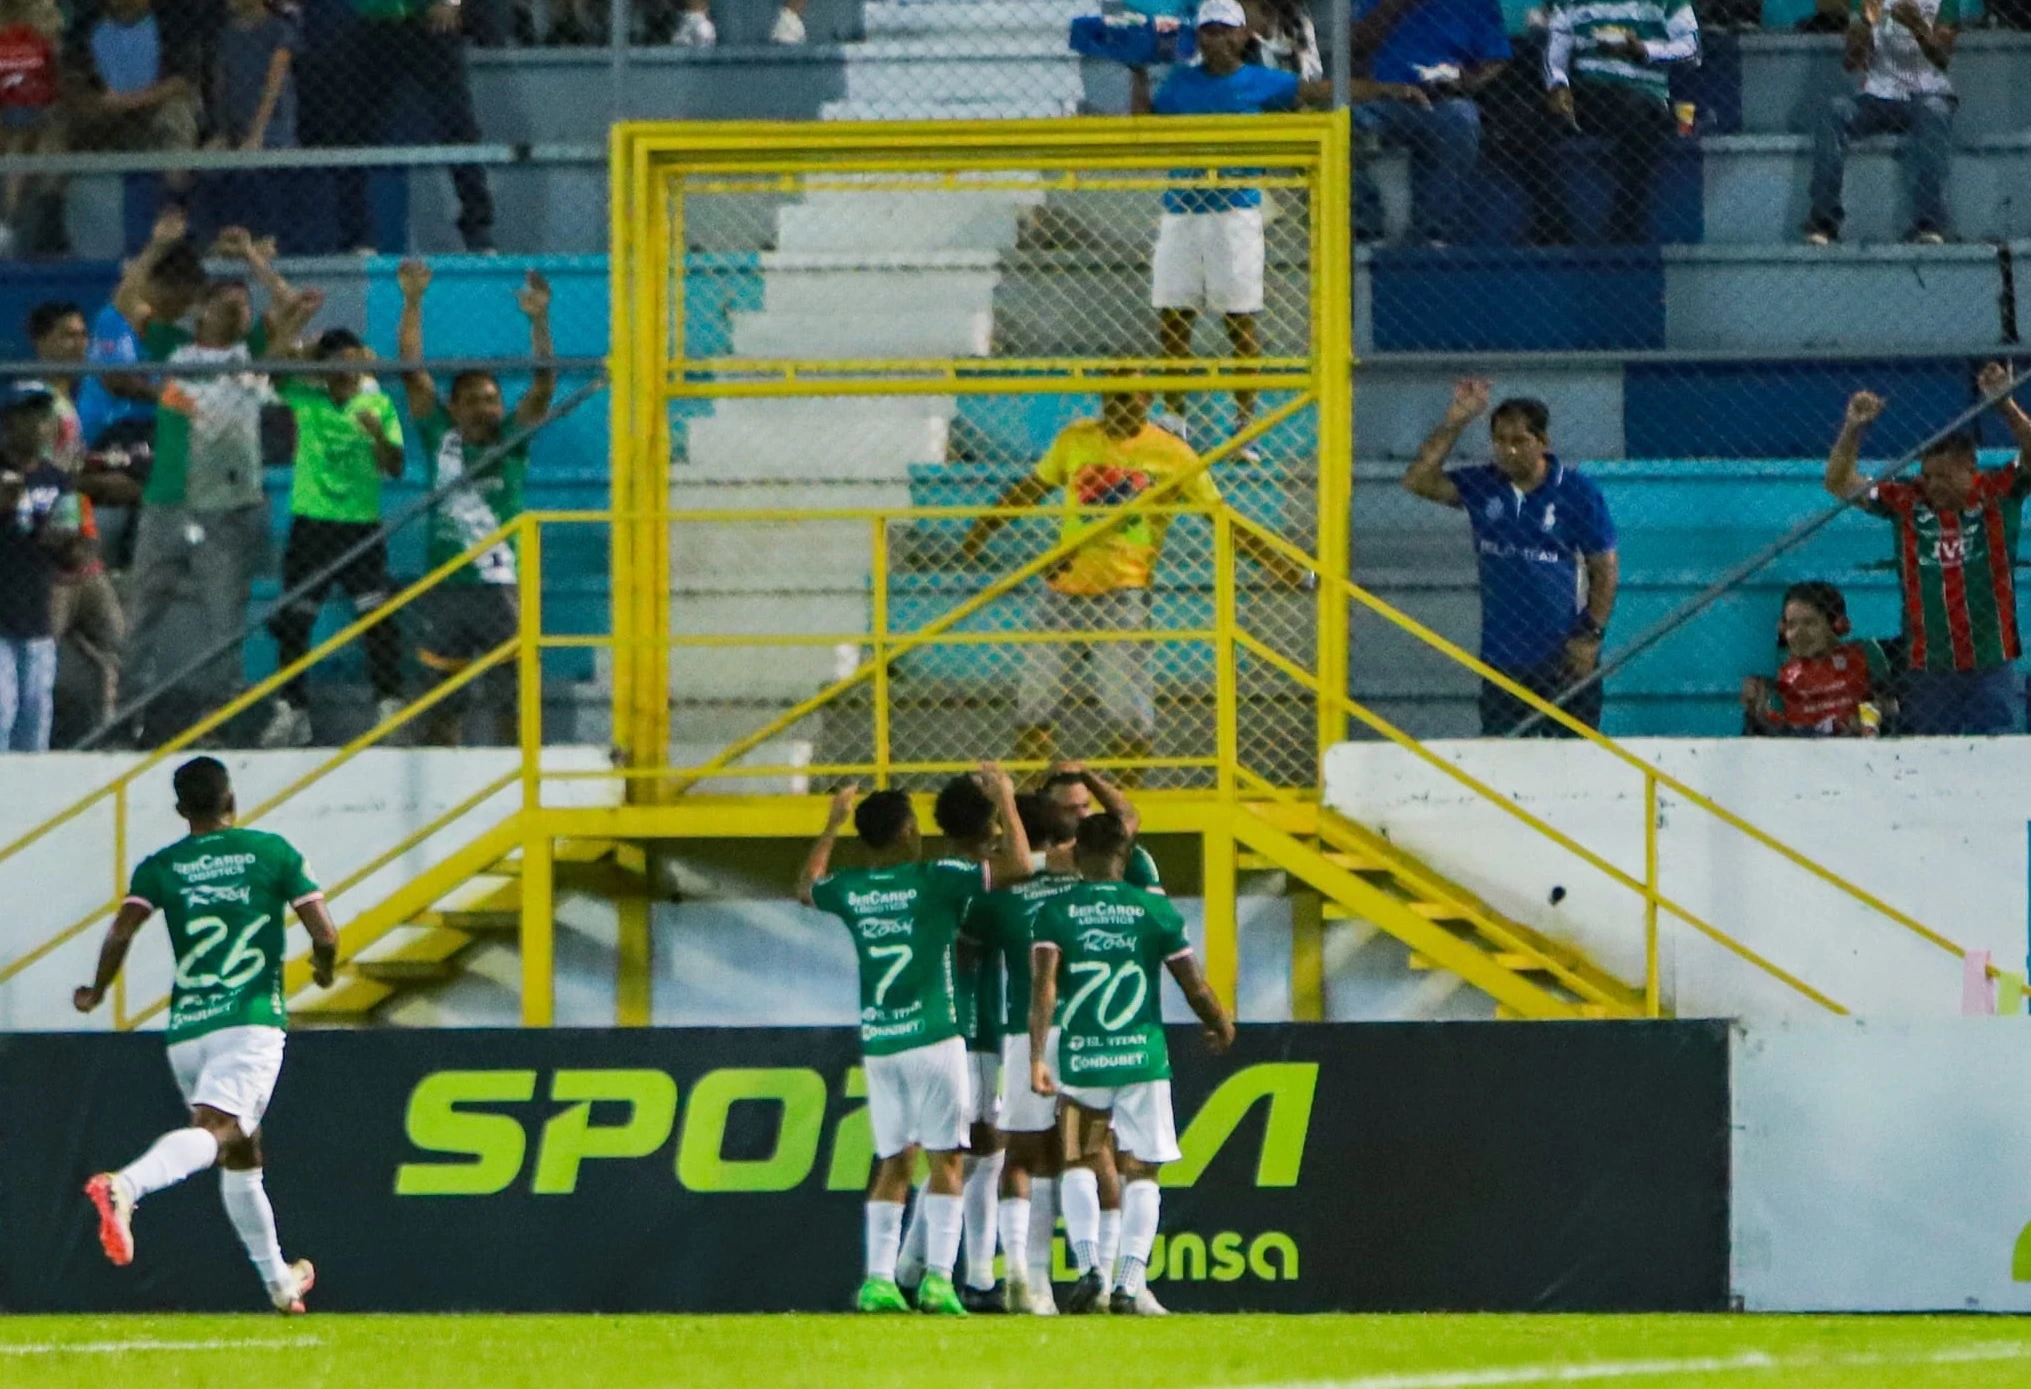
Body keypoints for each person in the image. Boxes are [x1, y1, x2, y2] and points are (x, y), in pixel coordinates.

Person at [74, 756, 337, 1312]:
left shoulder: (162, 866)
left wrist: (97, 990)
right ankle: (126, 1186)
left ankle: (280, 1282)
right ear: (231, 800)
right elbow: (324, 931)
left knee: (242, 1151)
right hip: (249, 1020)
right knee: (218, 1129)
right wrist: (324, 966)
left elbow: (122, 930)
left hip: (188, 1031)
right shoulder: (273, 852)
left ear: (180, 809)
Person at [959, 392, 1308, 776]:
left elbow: (1221, 518)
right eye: (1111, 398)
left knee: (1129, 720)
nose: (1117, 407)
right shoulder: (1077, 438)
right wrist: (983, 527)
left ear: (1148, 400)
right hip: (1063, 585)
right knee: (1033, 710)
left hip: (1124, 592)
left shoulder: (1172, 453)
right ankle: (1037, 805)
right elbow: (1032, 488)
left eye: (1127, 398)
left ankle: (1123, 808)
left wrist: (1279, 564)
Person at [796, 769, 1030, 1316]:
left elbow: (806, 886)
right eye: (914, 826)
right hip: (933, 1039)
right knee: (947, 1161)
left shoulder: (850, 889)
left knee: (892, 1162)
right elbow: (1018, 865)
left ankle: (878, 1280)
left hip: (881, 1044)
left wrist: (832, 824)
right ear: (904, 835)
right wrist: (1006, 800)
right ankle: (939, 1282)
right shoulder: (936, 879)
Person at [119, 213, 317, 739]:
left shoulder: (250, 353)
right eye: (224, 296)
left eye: (244, 299)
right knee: (142, 614)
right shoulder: (172, 349)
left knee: (223, 623)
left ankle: (218, 719)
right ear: (201, 309)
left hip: (229, 508)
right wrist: (157, 247)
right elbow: (126, 303)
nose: (237, 302)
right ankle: (124, 714)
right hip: (166, 500)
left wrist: (254, 259)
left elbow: (294, 309)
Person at [1028, 811, 1233, 1316]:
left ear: (1075, 857)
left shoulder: (1057, 911)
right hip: (1142, 1059)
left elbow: (1044, 990)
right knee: (1142, 1170)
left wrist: (1037, 1056)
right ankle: (1128, 1281)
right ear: (1126, 857)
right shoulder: (1154, 911)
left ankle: (1088, 1267)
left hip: (1084, 1058)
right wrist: (1221, 1023)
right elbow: (1194, 985)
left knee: (1078, 1158)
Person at [1132, 0, 1340, 445]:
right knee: (1173, 320)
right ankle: (1173, 420)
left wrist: (1387, 90)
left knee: (1239, 322)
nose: (1215, 39)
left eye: (1225, 30)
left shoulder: (1261, 82)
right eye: (1207, 30)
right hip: (1182, 210)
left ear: (1243, 35)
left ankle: (1246, 423)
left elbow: (1316, 94)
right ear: (1198, 36)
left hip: (1235, 212)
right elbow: (1143, 122)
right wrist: (1136, 72)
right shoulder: (1180, 82)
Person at [1402, 379, 1620, 735]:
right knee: (1500, 761)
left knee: (1576, 762)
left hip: (1564, 656)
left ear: (1543, 442)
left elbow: (1605, 569)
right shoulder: (1482, 485)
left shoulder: (1577, 492)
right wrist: (1456, 421)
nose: (1508, 451)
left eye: (1519, 441)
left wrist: (1590, 637)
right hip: (1502, 657)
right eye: (1500, 441)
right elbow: (1417, 480)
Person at [1824, 364, 2031, 736]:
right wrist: (1854, 428)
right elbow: (1838, 482)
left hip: (1992, 659)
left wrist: (2006, 407)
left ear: (1971, 469)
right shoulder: (1906, 500)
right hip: (1928, 665)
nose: (1931, 484)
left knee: (2001, 758)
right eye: (1927, 475)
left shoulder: (1999, 492)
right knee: (1931, 759)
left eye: (1944, 476)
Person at [397, 258, 553, 747]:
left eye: (493, 399)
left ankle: (517, 776)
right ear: (455, 407)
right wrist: (413, 300)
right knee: (442, 702)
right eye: (477, 400)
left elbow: (544, 385)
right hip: (445, 584)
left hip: (502, 586)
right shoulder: (437, 434)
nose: (488, 407)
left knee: (513, 697)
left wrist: (539, 321)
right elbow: (410, 369)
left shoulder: (512, 440)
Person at [259, 328, 406, 749]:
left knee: (376, 616)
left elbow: (395, 466)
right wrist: (312, 356)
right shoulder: (308, 399)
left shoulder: (378, 403)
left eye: (354, 362)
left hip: (360, 523)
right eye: (338, 364)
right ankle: (293, 709)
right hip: (312, 523)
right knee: (296, 620)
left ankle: (388, 705)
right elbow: (274, 368)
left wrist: (377, 434)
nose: (348, 372)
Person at [963, 792, 1079, 1315]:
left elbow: (966, 948)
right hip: (1080, 1030)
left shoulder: (998, 898)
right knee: (1070, 1154)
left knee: (1017, 1155)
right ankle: (1050, 1282)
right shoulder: (1083, 886)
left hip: (1018, 1032)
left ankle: (1017, 1271)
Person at [30, 300, 137, 730]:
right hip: (49, 552)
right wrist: (101, 485)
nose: (79, 344)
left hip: (84, 547)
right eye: (67, 335)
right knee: (37, 656)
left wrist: (100, 464)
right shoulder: (36, 404)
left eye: (82, 335)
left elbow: (67, 464)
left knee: (116, 648)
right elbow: (42, 475)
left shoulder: (65, 401)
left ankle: (113, 734)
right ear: (41, 342)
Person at [314, 0, 494, 253]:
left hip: (429, 20)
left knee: (456, 124)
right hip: (376, 20)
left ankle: (477, 228)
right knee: (349, 128)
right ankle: (357, 235)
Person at [1523, 0, 1700, 245]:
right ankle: (1553, 222)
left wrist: (1643, 50)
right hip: (1590, 95)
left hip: (1642, 93)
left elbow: (1692, 51)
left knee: (1641, 118)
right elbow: (1555, 51)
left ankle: (1624, 225)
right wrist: (1558, 84)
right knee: (1523, 123)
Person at [1350, 0, 1511, 247]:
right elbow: (1355, 45)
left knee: (1462, 119)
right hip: (1382, 95)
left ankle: (1434, 234)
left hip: (1442, 99)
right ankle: (1364, 229)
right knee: (1351, 119)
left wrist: (1467, 83)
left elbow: (1496, 58)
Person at [1804, 0, 1957, 246]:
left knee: (1934, 111)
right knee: (1833, 112)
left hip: (1927, 94)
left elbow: (1943, 57)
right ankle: (1824, 220)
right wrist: (1865, 23)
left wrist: (1917, 27)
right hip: (1876, 96)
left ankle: (1930, 224)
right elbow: (1851, 62)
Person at [0, 381, 82, 751]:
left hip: (35, 616)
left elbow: (73, 554)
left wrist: (64, 540)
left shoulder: (57, 480)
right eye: (27, 414)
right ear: (9, 421)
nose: (37, 424)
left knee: (34, 719)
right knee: (2, 713)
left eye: (43, 415)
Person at [61, 0, 203, 211]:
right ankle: (43, 215)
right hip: (101, 114)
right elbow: (70, 78)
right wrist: (96, 102)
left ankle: (176, 204)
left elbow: (182, 80)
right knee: (54, 123)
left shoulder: (172, 22)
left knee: (177, 113)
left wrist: (129, 101)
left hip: (153, 109)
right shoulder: (86, 25)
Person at [1742, 581, 1896, 737]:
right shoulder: (1783, 668)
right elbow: (1777, 728)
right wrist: (1757, 713)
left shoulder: (1863, 652)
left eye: (1809, 623)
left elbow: (1891, 705)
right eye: (1791, 625)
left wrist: (1868, 721)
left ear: (1837, 625)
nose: (1799, 634)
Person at [206, 0, 300, 248]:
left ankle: (267, 239)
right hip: (235, 129)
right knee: (208, 167)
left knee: (254, 166)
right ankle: (217, 240)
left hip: (273, 127)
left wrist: (257, 132)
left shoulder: (279, 30)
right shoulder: (227, 35)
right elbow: (221, 84)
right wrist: (223, 131)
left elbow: (274, 83)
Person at [0, 0, 63, 255]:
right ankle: (10, 225)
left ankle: (27, 233)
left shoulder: (46, 13)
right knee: (17, 142)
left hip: (40, 113)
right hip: (6, 114)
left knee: (47, 147)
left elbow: (55, 81)